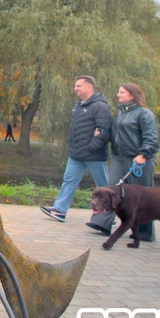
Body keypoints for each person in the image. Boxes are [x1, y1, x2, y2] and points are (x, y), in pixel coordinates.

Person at [86, 83, 159, 240]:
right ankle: (102, 222)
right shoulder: (121, 113)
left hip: (139, 159)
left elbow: (152, 138)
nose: (118, 95)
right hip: (119, 157)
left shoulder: (144, 114)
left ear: (132, 95)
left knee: (142, 195)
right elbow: (116, 134)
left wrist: (144, 154)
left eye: (122, 92)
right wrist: (101, 132)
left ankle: (145, 233)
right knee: (110, 190)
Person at [40, 76, 111, 222]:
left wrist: (92, 147)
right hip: (76, 154)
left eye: (78, 86)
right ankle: (59, 210)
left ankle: (110, 216)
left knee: (103, 187)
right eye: (75, 85)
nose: (75, 88)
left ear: (89, 87)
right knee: (69, 180)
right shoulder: (78, 105)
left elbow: (104, 130)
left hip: (94, 155)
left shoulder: (100, 106)